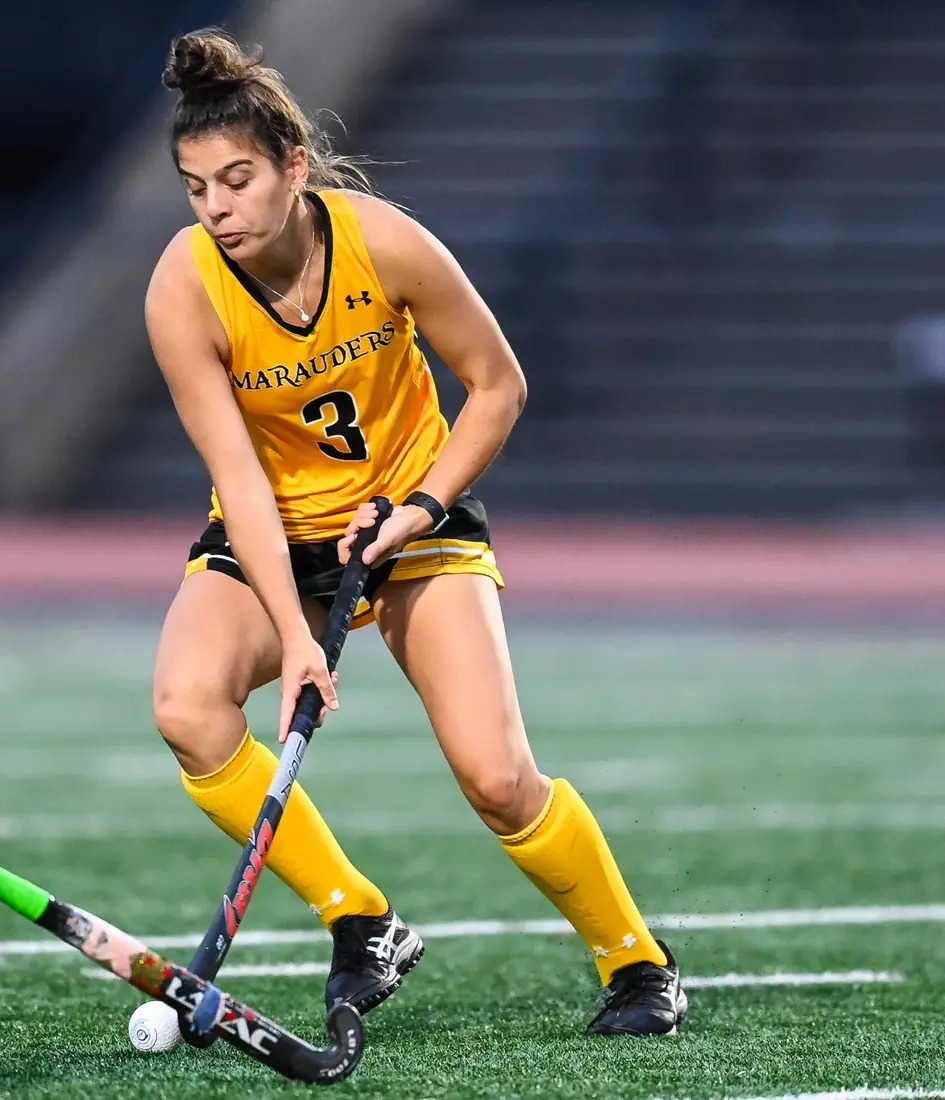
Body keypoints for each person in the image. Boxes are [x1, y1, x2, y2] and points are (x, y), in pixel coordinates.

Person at [144, 30, 686, 1037]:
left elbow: (496, 386)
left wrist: (417, 508)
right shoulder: (183, 288)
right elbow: (238, 483)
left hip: (411, 518)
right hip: (277, 536)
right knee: (186, 703)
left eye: (236, 179)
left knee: (493, 773)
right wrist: (297, 637)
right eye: (194, 188)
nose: (216, 208)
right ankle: (361, 918)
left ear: (292, 167)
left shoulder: (380, 241)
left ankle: (637, 961)